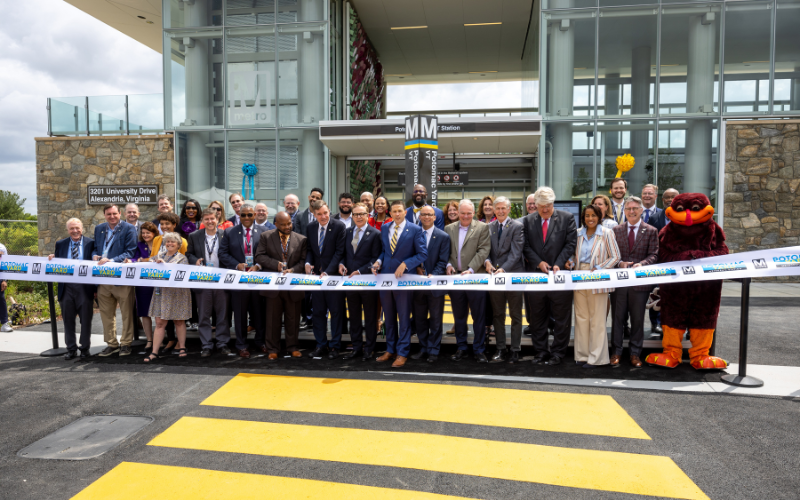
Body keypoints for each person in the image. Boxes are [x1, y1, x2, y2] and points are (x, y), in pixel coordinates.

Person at [521, 187, 577, 366]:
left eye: (549, 205)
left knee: (562, 318)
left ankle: (558, 353)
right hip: (536, 277)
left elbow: (571, 244)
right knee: (537, 317)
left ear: (554, 203)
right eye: (541, 206)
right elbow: (526, 246)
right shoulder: (527, 221)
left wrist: (558, 263)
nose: (545, 209)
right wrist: (538, 262)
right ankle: (541, 351)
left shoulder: (567, 218)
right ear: (535, 205)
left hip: (560, 276)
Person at [371, 200, 427, 368]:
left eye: (399, 211)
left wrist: (406, 263)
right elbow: (384, 251)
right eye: (394, 211)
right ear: (390, 213)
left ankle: (402, 352)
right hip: (386, 279)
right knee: (388, 317)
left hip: (404, 280)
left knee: (403, 317)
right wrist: (378, 262)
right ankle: (390, 349)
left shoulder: (416, 230)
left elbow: (422, 253)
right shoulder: (385, 228)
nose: (396, 214)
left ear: (405, 212)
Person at [569, 205, 620, 368]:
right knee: (581, 317)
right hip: (579, 275)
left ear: (599, 217)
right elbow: (573, 255)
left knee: (597, 319)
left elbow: (615, 256)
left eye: (593, 215)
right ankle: (582, 355)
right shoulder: (577, 234)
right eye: (587, 216)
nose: (590, 219)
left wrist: (599, 268)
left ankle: (597, 358)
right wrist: (570, 262)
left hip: (597, 276)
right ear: (583, 218)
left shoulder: (607, 233)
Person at [611, 196, 659, 368]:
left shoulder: (651, 231)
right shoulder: (616, 230)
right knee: (618, 319)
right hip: (620, 283)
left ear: (640, 210)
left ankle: (635, 354)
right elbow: (611, 255)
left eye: (635, 208)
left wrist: (642, 264)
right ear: (624, 211)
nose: (631, 211)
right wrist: (620, 263)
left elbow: (654, 254)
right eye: (628, 209)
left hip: (639, 284)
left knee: (637, 320)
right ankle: (616, 352)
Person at [255, 212, 308, 359]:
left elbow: (304, 262)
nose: (287, 226)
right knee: (272, 319)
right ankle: (273, 348)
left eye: (289, 223)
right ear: (276, 224)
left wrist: (293, 270)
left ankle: (293, 347)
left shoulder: (301, 239)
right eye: (283, 224)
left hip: (293, 286)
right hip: (273, 286)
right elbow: (259, 256)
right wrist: (275, 265)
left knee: (293, 319)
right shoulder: (266, 236)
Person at [445, 199, 491, 363]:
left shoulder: (482, 228)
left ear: (473, 213)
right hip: (456, 279)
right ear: (458, 213)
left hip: (475, 277)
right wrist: (449, 264)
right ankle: (461, 347)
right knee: (459, 316)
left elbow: (484, 250)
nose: (465, 216)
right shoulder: (449, 228)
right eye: (462, 213)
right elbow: (447, 251)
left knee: (478, 316)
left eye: (468, 213)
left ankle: (479, 349)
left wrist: (470, 269)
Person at [219, 202, 267, 358]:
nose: (246, 217)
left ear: (254, 215)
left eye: (249, 214)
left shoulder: (264, 232)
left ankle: (260, 342)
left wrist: (259, 266)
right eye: (243, 215)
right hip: (238, 280)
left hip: (258, 279)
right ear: (239, 216)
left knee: (259, 313)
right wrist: (236, 265)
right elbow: (223, 254)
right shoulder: (229, 232)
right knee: (239, 314)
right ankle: (241, 345)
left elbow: (268, 253)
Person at [92, 203, 138, 357]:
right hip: (103, 278)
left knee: (126, 313)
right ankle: (111, 344)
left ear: (120, 213)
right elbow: (95, 247)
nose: (112, 217)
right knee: (106, 313)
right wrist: (94, 255)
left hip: (121, 278)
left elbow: (130, 252)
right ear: (104, 215)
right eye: (108, 214)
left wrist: (111, 260)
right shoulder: (99, 229)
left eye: (114, 214)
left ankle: (126, 343)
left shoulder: (129, 228)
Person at [47, 219, 96, 360]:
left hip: (84, 286)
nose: (75, 231)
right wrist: (52, 258)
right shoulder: (61, 244)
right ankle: (71, 349)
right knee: (68, 320)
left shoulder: (91, 243)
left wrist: (96, 288)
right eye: (71, 228)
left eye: (77, 228)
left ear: (82, 228)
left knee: (86, 320)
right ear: (67, 230)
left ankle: (85, 348)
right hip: (66, 286)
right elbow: (57, 260)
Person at [338, 203, 382, 360]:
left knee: (370, 317)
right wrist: (341, 263)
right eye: (355, 214)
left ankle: (369, 349)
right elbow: (342, 253)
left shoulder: (375, 234)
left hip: (367, 282)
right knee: (354, 317)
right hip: (350, 281)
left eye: (362, 214)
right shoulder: (347, 232)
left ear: (368, 215)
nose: (358, 217)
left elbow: (375, 258)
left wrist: (361, 271)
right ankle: (356, 347)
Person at [186, 209, 231, 357]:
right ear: (202, 221)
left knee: (222, 315)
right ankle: (206, 345)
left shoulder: (225, 235)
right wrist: (194, 260)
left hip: (221, 281)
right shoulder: (194, 236)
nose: (210, 221)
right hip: (203, 281)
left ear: (217, 219)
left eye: (212, 218)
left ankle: (222, 343)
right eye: (207, 219)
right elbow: (189, 253)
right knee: (204, 316)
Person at [485, 196, 525, 363]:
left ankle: (515, 349)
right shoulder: (488, 227)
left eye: (504, 208)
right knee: (498, 314)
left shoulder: (517, 226)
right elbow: (484, 249)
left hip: (512, 276)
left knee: (516, 315)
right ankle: (500, 348)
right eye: (498, 208)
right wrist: (487, 262)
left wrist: (504, 268)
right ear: (494, 210)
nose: (500, 211)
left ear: (509, 209)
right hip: (494, 278)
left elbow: (516, 253)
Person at [305, 199, 347, 359]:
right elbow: (310, 249)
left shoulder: (339, 226)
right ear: (314, 215)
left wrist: (328, 272)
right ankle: (320, 345)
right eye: (319, 214)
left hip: (333, 277)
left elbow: (339, 252)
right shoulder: (310, 228)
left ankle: (335, 346)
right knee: (318, 313)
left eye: (325, 213)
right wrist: (308, 262)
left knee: (336, 312)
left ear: (329, 211)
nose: (323, 217)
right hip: (316, 279)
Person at [410, 205, 450, 363]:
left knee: (435, 319)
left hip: (435, 285)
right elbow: (409, 255)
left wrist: (434, 274)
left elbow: (443, 260)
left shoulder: (443, 236)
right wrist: (417, 268)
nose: (426, 217)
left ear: (435, 217)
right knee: (419, 319)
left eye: (430, 214)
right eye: (423, 214)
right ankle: (423, 347)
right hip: (418, 286)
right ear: (420, 217)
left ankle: (434, 349)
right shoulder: (412, 234)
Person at [144, 232, 192, 362]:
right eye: (167, 241)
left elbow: (180, 274)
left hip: (177, 293)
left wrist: (164, 265)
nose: (169, 244)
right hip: (161, 294)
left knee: (179, 321)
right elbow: (144, 267)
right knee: (159, 323)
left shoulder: (183, 258)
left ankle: (182, 347)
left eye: (173, 242)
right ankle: (154, 352)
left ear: (178, 245)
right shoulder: (156, 257)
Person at [126, 221, 158, 354]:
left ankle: (158, 339)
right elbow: (134, 259)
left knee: (159, 313)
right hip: (143, 283)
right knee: (145, 312)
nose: (145, 235)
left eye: (148, 233)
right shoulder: (139, 245)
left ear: (154, 233)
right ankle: (149, 340)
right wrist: (133, 261)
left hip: (158, 282)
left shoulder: (160, 243)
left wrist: (145, 260)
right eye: (143, 233)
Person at [640, 184, 663, 335]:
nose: (647, 196)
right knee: (635, 296)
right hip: (637, 260)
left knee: (656, 293)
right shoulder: (633, 211)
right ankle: (631, 326)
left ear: (656, 196)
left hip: (656, 260)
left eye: (650, 193)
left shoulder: (663, 214)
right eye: (644, 193)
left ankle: (656, 324)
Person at [0, 242, 11, 333]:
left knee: (1, 299)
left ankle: (4, 324)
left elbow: (6, 263)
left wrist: (4, 280)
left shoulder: (2, 247)